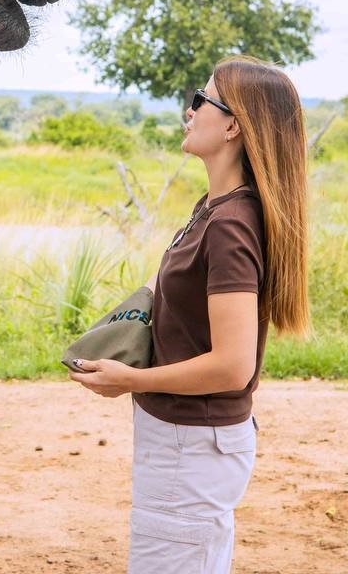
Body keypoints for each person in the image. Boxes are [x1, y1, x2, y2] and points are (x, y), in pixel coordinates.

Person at [68, 56, 309, 573]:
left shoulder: (230, 224)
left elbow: (233, 366)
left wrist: (131, 378)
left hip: (190, 449)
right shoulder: (215, 207)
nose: (190, 109)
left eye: (203, 99)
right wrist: (117, 334)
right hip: (187, 442)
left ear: (233, 126)